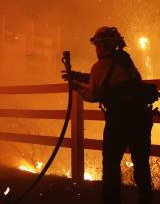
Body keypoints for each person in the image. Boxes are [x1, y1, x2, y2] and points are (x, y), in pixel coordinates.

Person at [63, 27, 153, 204]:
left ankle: (111, 201)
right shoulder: (127, 61)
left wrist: (76, 85)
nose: (96, 49)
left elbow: (93, 94)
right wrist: (80, 76)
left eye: (97, 45)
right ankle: (146, 199)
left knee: (111, 164)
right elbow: (111, 79)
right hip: (140, 118)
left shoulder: (99, 66)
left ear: (103, 46)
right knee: (141, 163)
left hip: (118, 120)